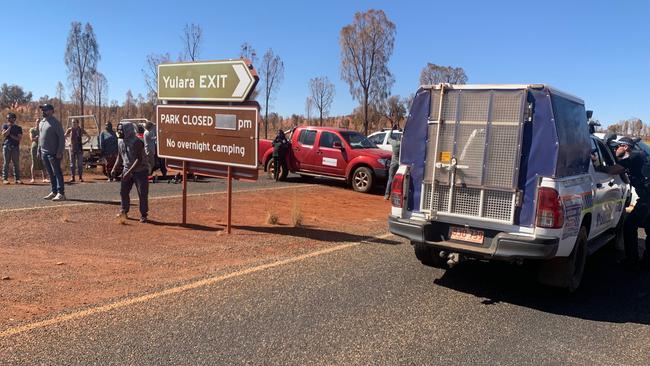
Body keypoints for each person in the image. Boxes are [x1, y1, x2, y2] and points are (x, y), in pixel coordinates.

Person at [595, 137, 650, 270]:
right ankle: (645, 264)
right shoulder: (637, 158)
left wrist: (598, 166)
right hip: (646, 198)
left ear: (625, 147)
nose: (614, 149)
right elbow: (625, 177)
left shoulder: (635, 156)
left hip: (647, 199)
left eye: (617, 147)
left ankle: (632, 261)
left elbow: (613, 170)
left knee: (629, 225)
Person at [112, 122, 150, 223]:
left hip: (140, 170)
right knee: (123, 191)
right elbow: (120, 156)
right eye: (119, 130)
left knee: (142, 193)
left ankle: (144, 214)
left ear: (128, 130)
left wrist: (129, 172)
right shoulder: (120, 140)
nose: (120, 132)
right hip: (127, 168)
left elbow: (139, 159)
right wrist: (114, 168)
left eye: (122, 130)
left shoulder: (137, 142)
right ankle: (124, 210)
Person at [38, 104, 66, 201]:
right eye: (42, 110)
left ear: (51, 111)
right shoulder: (41, 122)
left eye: (45, 110)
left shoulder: (55, 123)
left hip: (53, 153)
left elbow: (62, 138)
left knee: (57, 172)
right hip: (44, 152)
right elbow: (40, 137)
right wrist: (39, 149)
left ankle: (61, 193)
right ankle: (54, 192)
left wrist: (59, 151)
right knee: (50, 173)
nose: (43, 111)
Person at [2, 112, 23, 184]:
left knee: (16, 163)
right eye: (7, 118)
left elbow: (19, 138)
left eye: (9, 118)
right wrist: (9, 127)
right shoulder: (5, 125)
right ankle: (5, 179)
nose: (8, 119)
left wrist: (11, 136)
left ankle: (17, 179)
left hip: (15, 147)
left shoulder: (18, 128)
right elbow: (4, 134)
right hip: (6, 146)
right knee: (6, 163)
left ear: (14, 118)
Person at [384, 125, 401, 200]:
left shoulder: (394, 143)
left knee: (390, 179)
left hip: (393, 163)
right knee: (398, 181)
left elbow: (388, 138)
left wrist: (392, 130)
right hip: (400, 164)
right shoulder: (402, 144)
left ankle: (387, 195)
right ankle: (395, 196)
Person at [29, 118, 48, 183]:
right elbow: (31, 139)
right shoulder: (32, 130)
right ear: (35, 122)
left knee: (44, 162)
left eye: (39, 122)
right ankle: (33, 178)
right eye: (37, 122)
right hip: (34, 147)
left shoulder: (43, 130)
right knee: (34, 162)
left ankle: (44, 178)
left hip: (42, 147)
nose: (38, 123)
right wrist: (35, 138)